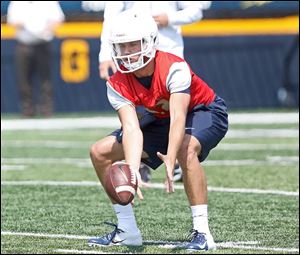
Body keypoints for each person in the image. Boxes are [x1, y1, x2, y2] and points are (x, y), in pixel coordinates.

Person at [88, 10, 228, 251]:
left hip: (205, 111)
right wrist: (132, 171)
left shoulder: (174, 67)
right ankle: (127, 230)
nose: (128, 52)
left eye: (133, 44)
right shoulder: (117, 83)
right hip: (160, 119)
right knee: (99, 152)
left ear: (150, 42)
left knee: (185, 149)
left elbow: (178, 118)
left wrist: (171, 156)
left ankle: (203, 233)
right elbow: (131, 128)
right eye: (122, 46)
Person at [98, 1, 212, 182]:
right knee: (135, 112)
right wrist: (104, 53)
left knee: (175, 113)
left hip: (167, 50)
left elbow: (196, 11)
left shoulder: (173, 64)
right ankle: (139, 165)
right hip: (131, 50)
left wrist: (171, 18)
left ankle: (176, 159)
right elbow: (111, 15)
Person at [7, 1, 65, 117]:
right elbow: (12, 21)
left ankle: (46, 110)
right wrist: (28, 26)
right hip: (24, 44)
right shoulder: (17, 3)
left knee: (45, 80)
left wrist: (45, 29)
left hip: (42, 44)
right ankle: (27, 110)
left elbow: (59, 19)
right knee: (23, 79)